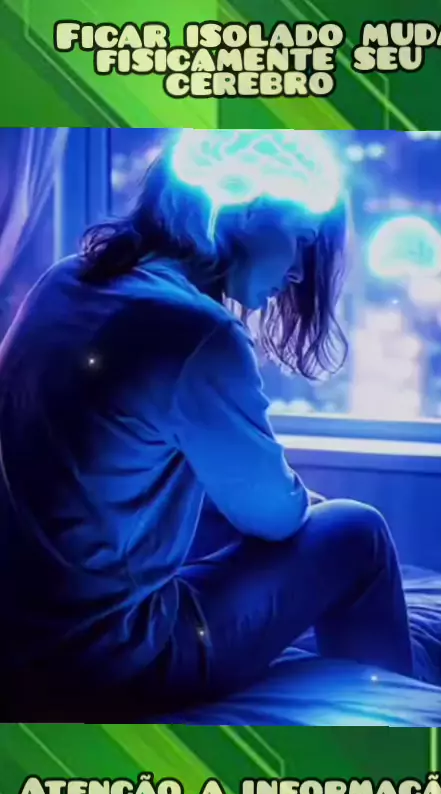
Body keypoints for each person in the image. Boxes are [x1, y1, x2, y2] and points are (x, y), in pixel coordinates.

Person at [0, 130, 413, 722]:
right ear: (241, 210)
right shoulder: (197, 332)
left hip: (19, 645)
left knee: (235, 507)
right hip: (109, 665)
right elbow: (276, 518)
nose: (298, 273)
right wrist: (300, 508)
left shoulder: (65, 281)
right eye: (299, 239)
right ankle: (395, 729)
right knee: (356, 531)